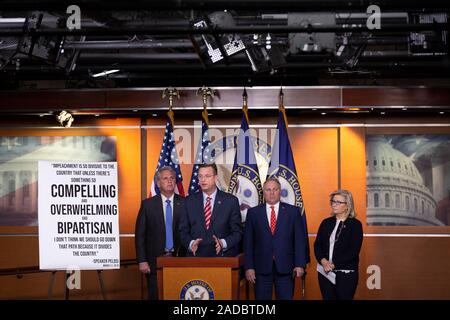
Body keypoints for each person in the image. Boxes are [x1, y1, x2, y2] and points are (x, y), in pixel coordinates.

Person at [243, 177, 307, 300]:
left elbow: (299, 241)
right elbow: (248, 243)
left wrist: (300, 264)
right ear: (264, 192)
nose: (271, 193)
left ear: (280, 191)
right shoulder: (253, 213)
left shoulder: (293, 212)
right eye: (268, 190)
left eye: (275, 189)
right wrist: (249, 267)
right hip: (260, 269)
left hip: (286, 267)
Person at [135, 166, 186, 300]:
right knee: (155, 296)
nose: (169, 181)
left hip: (180, 260)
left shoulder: (185, 203)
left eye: (172, 178)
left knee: (178, 295)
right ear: (158, 183)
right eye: (165, 178)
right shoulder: (148, 205)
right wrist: (142, 260)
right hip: (154, 262)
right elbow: (140, 236)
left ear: (175, 181)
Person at [179, 163, 242, 257]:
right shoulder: (188, 201)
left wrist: (222, 243)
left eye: (207, 176)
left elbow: (237, 232)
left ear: (216, 177)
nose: (203, 180)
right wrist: (191, 243)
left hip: (222, 259)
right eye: (200, 176)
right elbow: (182, 231)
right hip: (195, 258)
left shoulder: (230, 201)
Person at [314, 189, 363, 300]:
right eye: (333, 201)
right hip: (325, 273)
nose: (333, 204)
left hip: (346, 275)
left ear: (347, 206)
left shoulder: (355, 225)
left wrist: (333, 265)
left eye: (338, 202)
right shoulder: (326, 222)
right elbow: (317, 245)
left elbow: (353, 251)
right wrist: (323, 261)